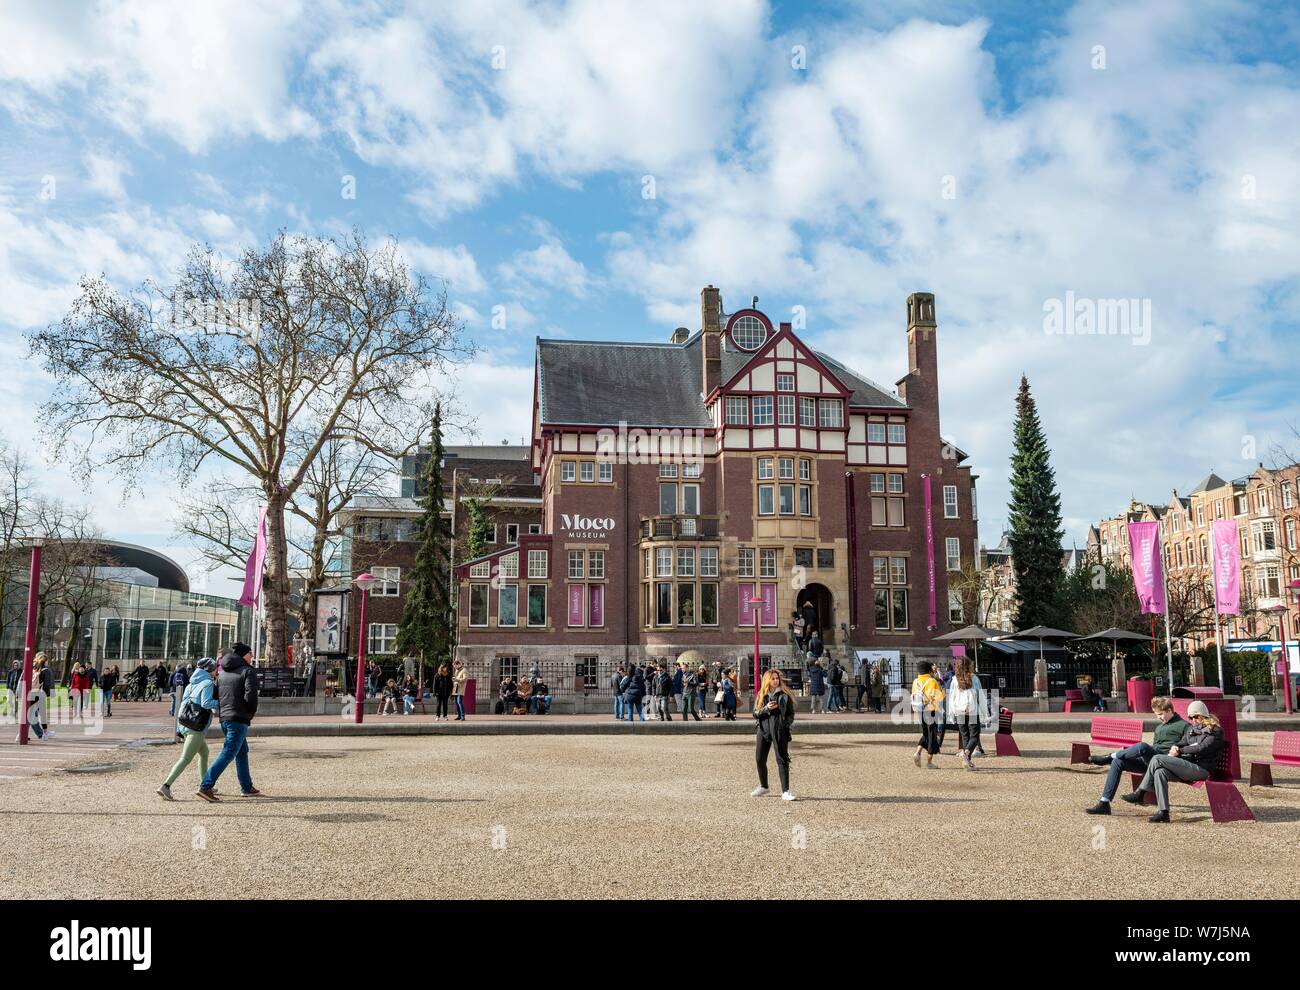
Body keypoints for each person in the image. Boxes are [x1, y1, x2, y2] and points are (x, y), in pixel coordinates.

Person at [1122, 701, 1225, 823]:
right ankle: (1163, 812)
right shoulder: (1192, 729)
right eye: (1190, 717)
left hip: (1202, 769)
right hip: (1188, 766)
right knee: (1160, 772)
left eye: (1196, 716)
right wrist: (1176, 746)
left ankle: (1140, 792)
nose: (1193, 720)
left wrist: (1180, 751)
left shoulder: (1216, 731)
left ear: (1204, 714)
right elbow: (1183, 741)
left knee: (1157, 758)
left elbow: (1202, 748)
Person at [1084, 697, 1186, 815]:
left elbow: (1188, 745)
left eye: (1161, 714)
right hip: (1151, 762)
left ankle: (1109, 757)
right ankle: (1104, 803)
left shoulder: (1184, 725)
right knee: (1118, 762)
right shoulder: (1159, 727)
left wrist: (1177, 751)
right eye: (1156, 715)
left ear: (1169, 710)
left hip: (1166, 762)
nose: (1158, 717)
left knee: (1142, 746)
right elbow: (1155, 747)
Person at [197, 643, 262, 801]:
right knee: (229, 752)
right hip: (239, 717)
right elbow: (251, 695)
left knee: (241, 751)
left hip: (225, 717)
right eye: (250, 653)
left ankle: (246, 786)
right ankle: (206, 786)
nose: (252, 656)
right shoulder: (248, 671)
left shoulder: (222, 673)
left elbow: (216, 695)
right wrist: (250, 712)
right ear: (243, 655)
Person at [158, 657, 220, 800]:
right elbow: (206, 703)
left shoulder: (191, 683)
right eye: (214, 668)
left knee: (204, 752)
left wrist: (179, 727)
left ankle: (206, 784)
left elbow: (183, 705)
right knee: (185, 758)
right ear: (209, 669)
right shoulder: (207, 683)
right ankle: (166, 785)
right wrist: (222, 702)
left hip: (186, 724)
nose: (216, 670)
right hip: (196, 727)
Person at [751, 669, 797, 800]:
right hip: (763, 729)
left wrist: (785, 725)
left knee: (782, 759)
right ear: (767, 680)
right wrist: (766, 709)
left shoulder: (785, 694)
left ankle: (786, 791)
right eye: (773, 679)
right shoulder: (761, 694)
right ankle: (764, 786)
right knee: (760, 759)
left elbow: (791, 714)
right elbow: (755, 713)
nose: (776, 681)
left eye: (777, 678)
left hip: (779, 729)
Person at [947, 657, 985, 770]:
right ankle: (966, 754)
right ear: (969, 666)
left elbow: (951, 698)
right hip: (972, 710)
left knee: (965, 736)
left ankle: (967, 761)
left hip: (959, 711)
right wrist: (984, 713)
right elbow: (981, 696)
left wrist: (951, 713)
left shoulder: (954, 680)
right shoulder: (975, 679)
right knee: (974, 735)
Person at [911, 660, 946, 769]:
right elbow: (940, 697)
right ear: (929, 670)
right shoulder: (932, 681)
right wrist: (943, 688)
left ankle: (917, 752)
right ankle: (929, 762)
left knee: (925, 733)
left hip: (919, 710)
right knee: (932, 735)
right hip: (930, 710)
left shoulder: (915, 681)